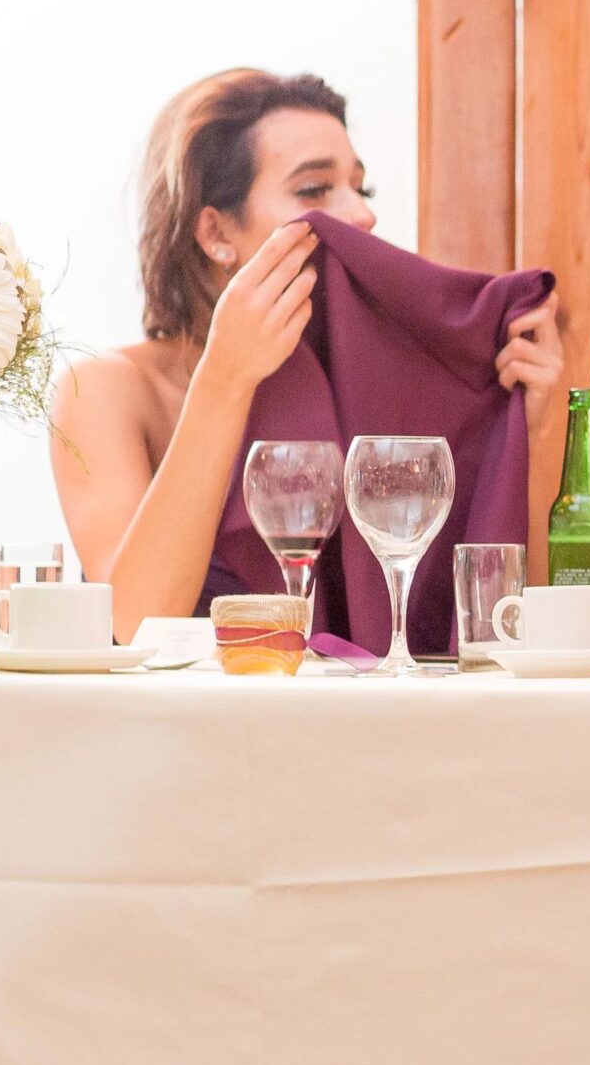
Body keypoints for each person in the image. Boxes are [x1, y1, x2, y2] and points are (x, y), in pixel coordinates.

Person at [52, 69, 562, 642]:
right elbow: (134, 622)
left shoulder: (378, 397)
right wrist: (226, 378)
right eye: (315, 190)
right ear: (216, 233)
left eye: (361, 190)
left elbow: (514, 618)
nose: (361, 216)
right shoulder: (104, 390)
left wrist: (529, 430)